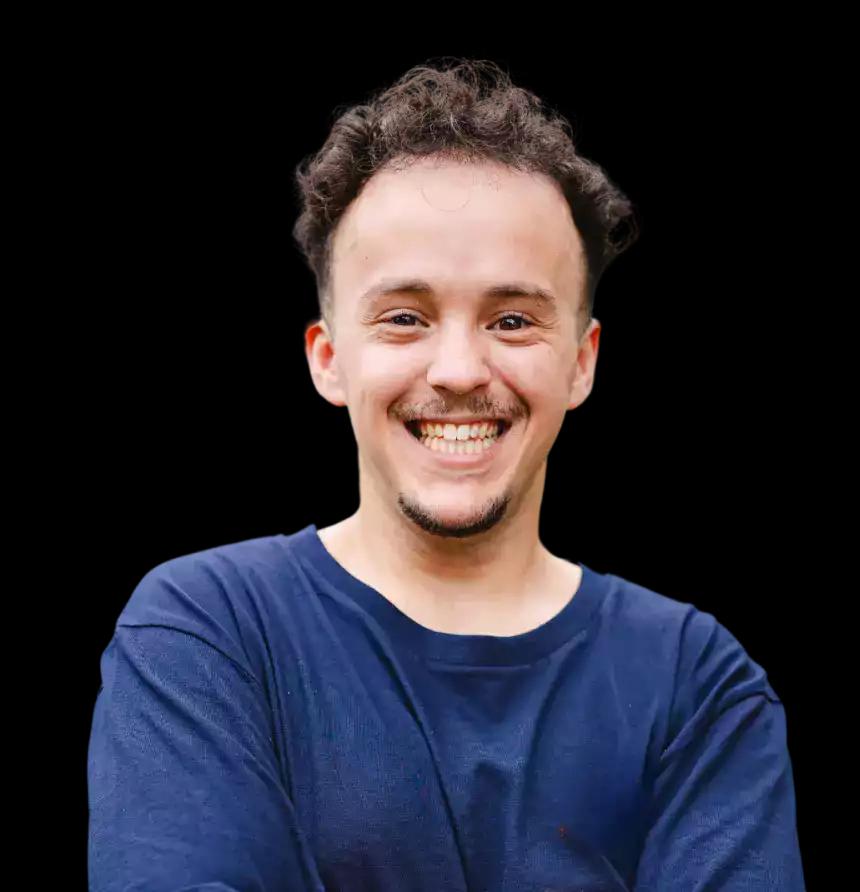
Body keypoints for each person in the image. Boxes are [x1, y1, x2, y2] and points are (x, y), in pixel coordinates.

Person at [87, 57, 806, 890]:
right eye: (405, 317)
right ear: (328, 358)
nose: (459, 369)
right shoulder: (207, 633)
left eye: (512, 319)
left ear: (581, 362)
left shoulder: (697, 684)